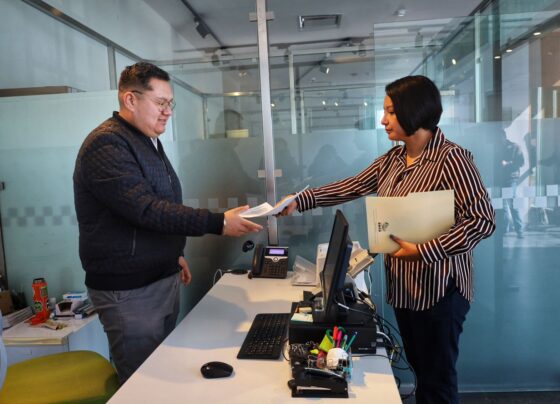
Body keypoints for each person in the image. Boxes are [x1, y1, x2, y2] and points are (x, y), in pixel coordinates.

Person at [279, 75, 495, 404]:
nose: (383, 120)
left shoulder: (453, 159)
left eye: (391, 112)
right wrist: (301, 200)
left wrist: (426, 250)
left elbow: (482, 220)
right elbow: (352, 185)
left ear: (415, 110)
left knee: (438, 381)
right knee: (422, 371)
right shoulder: (393, 159)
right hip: (406, 289)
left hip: (441, 290)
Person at [73, 62, 262, 383]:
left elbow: (163, 202)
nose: (168, 112)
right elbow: (145, 209)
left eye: (170, 103)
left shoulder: (146, 140)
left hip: (160, 276)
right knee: (145, 383)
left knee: (163, 370)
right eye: (160, 103)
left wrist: (173, 253)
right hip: (129, 291)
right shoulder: (107, 144)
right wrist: (218, 222)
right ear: (130, 100)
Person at [495, 130, 525, 238]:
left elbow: (521, 162)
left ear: (504, 137)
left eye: (499, 138)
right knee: (503, 205)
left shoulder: (514, 147)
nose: (497, 141)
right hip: (502, 179)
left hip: (510, 178)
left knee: (512, 203)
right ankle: (505, 229)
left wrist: (507, 163)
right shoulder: (498, 147)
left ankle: (519, 230)